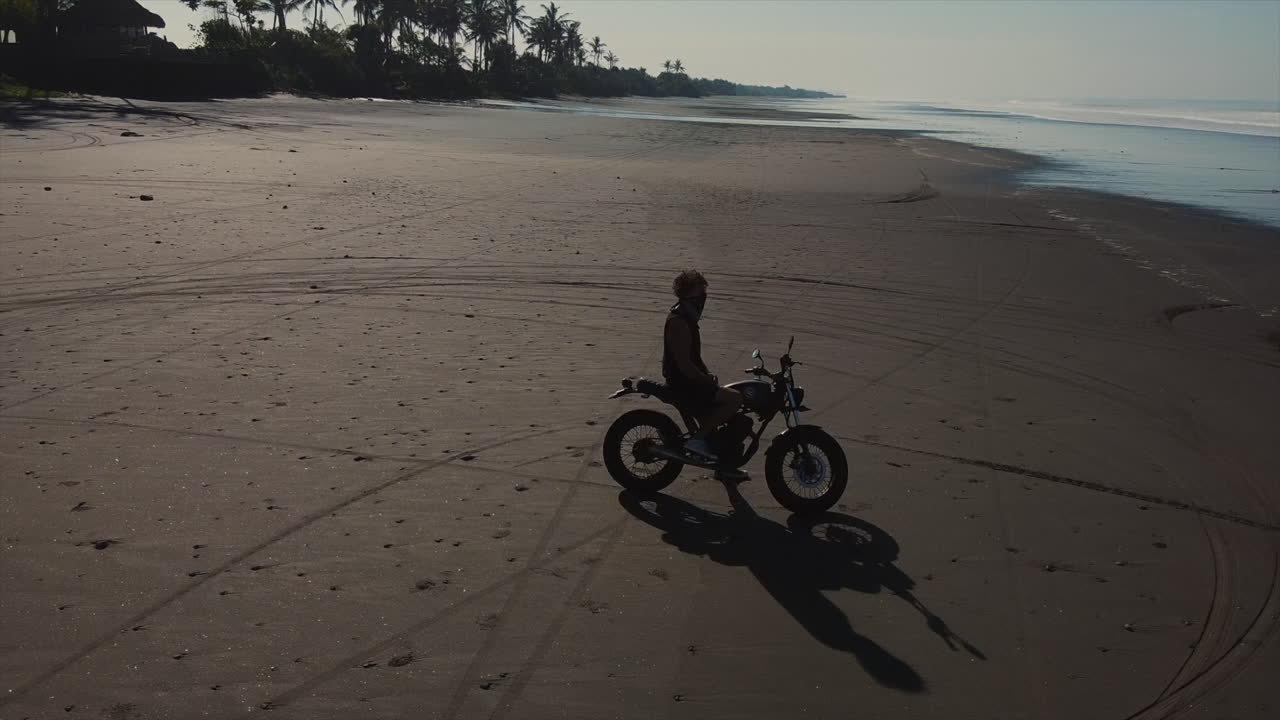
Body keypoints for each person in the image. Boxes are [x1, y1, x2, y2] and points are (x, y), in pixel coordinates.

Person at [663, 269, 742, 462]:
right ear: (686, 295)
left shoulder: (685, 317)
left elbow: (693, 358)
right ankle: (697, 440)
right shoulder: (679, 323)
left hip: (688, 379)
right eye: (698, 296)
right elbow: (684, 364)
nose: (701, 302)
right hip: (684, 383)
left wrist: (706, 372)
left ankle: (719, 452)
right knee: (735, 399)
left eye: (703, 296)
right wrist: (703, 378)